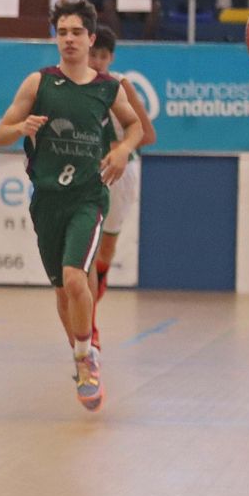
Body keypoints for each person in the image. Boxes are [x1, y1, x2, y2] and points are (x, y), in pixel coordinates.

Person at [0, 0, 142, 413]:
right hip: (47, 201)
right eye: (62, 32)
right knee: (62, 293)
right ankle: (81, 354)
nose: (69, 39)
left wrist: (123, 150)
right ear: (55, 38)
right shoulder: (38, 84)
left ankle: (86, 358)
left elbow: (134, 126)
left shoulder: (108, 87)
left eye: (77, 32)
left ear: (91, 38)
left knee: (77, 278)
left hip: (87, 197)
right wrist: (21, 127)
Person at [85, 27, 157, 351]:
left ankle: (99, 284)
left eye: (104, 56)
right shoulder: (71, 86)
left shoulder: (120, 85)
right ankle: (88, 326)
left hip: (120, 173)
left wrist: (115, 146)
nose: (98, 61)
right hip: (85, 171)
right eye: (93, 54)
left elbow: (148, 135)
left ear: (111, 58)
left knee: (105, 250)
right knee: (80, 249)